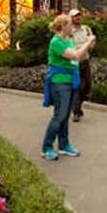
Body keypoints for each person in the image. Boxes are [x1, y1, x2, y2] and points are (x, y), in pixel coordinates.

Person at [41, 14, 94, 161]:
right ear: (63, 26)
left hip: (70, 81)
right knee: (59, 116)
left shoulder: (68, 39)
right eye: (70, 24)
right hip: (59, 83)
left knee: (65, 116)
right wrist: (88, 42)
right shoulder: (56, 42)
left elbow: (79, 55)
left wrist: (87, 44)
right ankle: (46, 148)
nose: (72, 27)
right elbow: (75, 56)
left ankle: (64, 145)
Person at [68, 9, 95, 121]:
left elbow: (92, 43)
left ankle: (77, 106)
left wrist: (91, 44)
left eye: (79, 15)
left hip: (85, 60)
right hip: (74, 62)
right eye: (75, 16)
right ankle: (76, 111)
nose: (78, 17)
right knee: (78, 86)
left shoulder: (86, 29)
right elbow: (67, 46)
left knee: (87, 86)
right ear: (71, 18)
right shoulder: (69, 31)